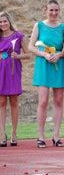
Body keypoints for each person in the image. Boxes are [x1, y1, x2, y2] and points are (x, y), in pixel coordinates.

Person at [28, 0, 64, 148]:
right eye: (51, 10)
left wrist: (59, 55)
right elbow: (31, 46)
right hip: (43, 65)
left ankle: (56, 136)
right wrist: (43, 55)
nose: (54, 13)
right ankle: (41, 136)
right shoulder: (39, 25)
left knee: (58, 100)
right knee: (43, 101)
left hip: (58, 64)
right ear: (46, 10)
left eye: (56, 10)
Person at [0, 12, 30, 147]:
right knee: (1, 102)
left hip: (13, 71)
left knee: (13, 101)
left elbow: (28, 54)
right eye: (0, 22)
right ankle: (2, 134)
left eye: (5, 21)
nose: (2, 24)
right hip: (1, 71)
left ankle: (14, 133)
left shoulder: (18, 36)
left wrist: (17, 56)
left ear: (9, 21)